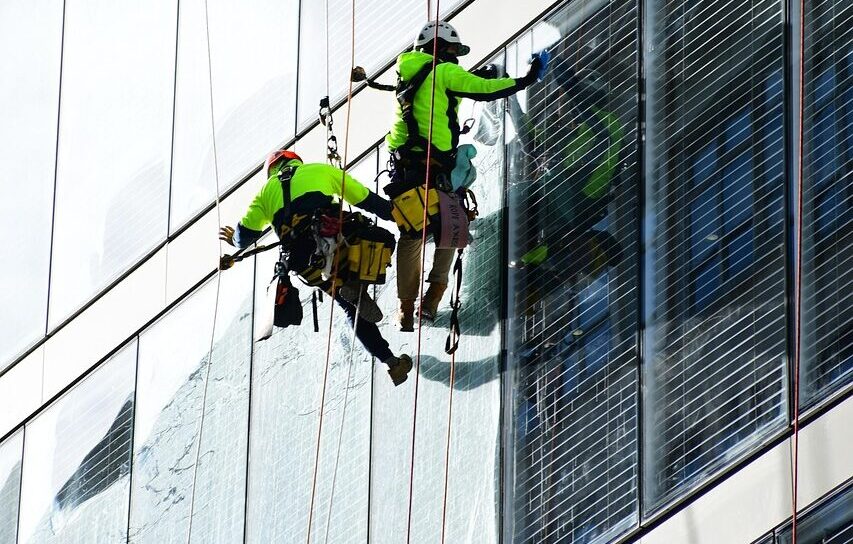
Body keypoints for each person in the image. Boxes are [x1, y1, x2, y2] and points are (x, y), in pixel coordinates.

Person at [385, 20, 551, 331]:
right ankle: (432, 299)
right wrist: (527, 78)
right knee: (450, 229)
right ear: (438, 48)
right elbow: (485, 91)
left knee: (411, 235)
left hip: (405, 169)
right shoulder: (443, 71)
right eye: (452, 51)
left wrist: (476, 76)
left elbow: (441, 93)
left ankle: (405, 310)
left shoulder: (407, 73)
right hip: (433, 168)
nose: (456, 59)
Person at [219, 148, 413, 386]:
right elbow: (366, 199)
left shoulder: (264, 194)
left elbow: (244, 237)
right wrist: (402, 215)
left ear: (271, 172)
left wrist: (233, 241)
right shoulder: (320, 170)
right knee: (383, 239)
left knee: (350, 307)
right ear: (297, 161)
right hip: (339, 241)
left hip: (305, 263)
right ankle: (355, 284)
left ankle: (390, 363)